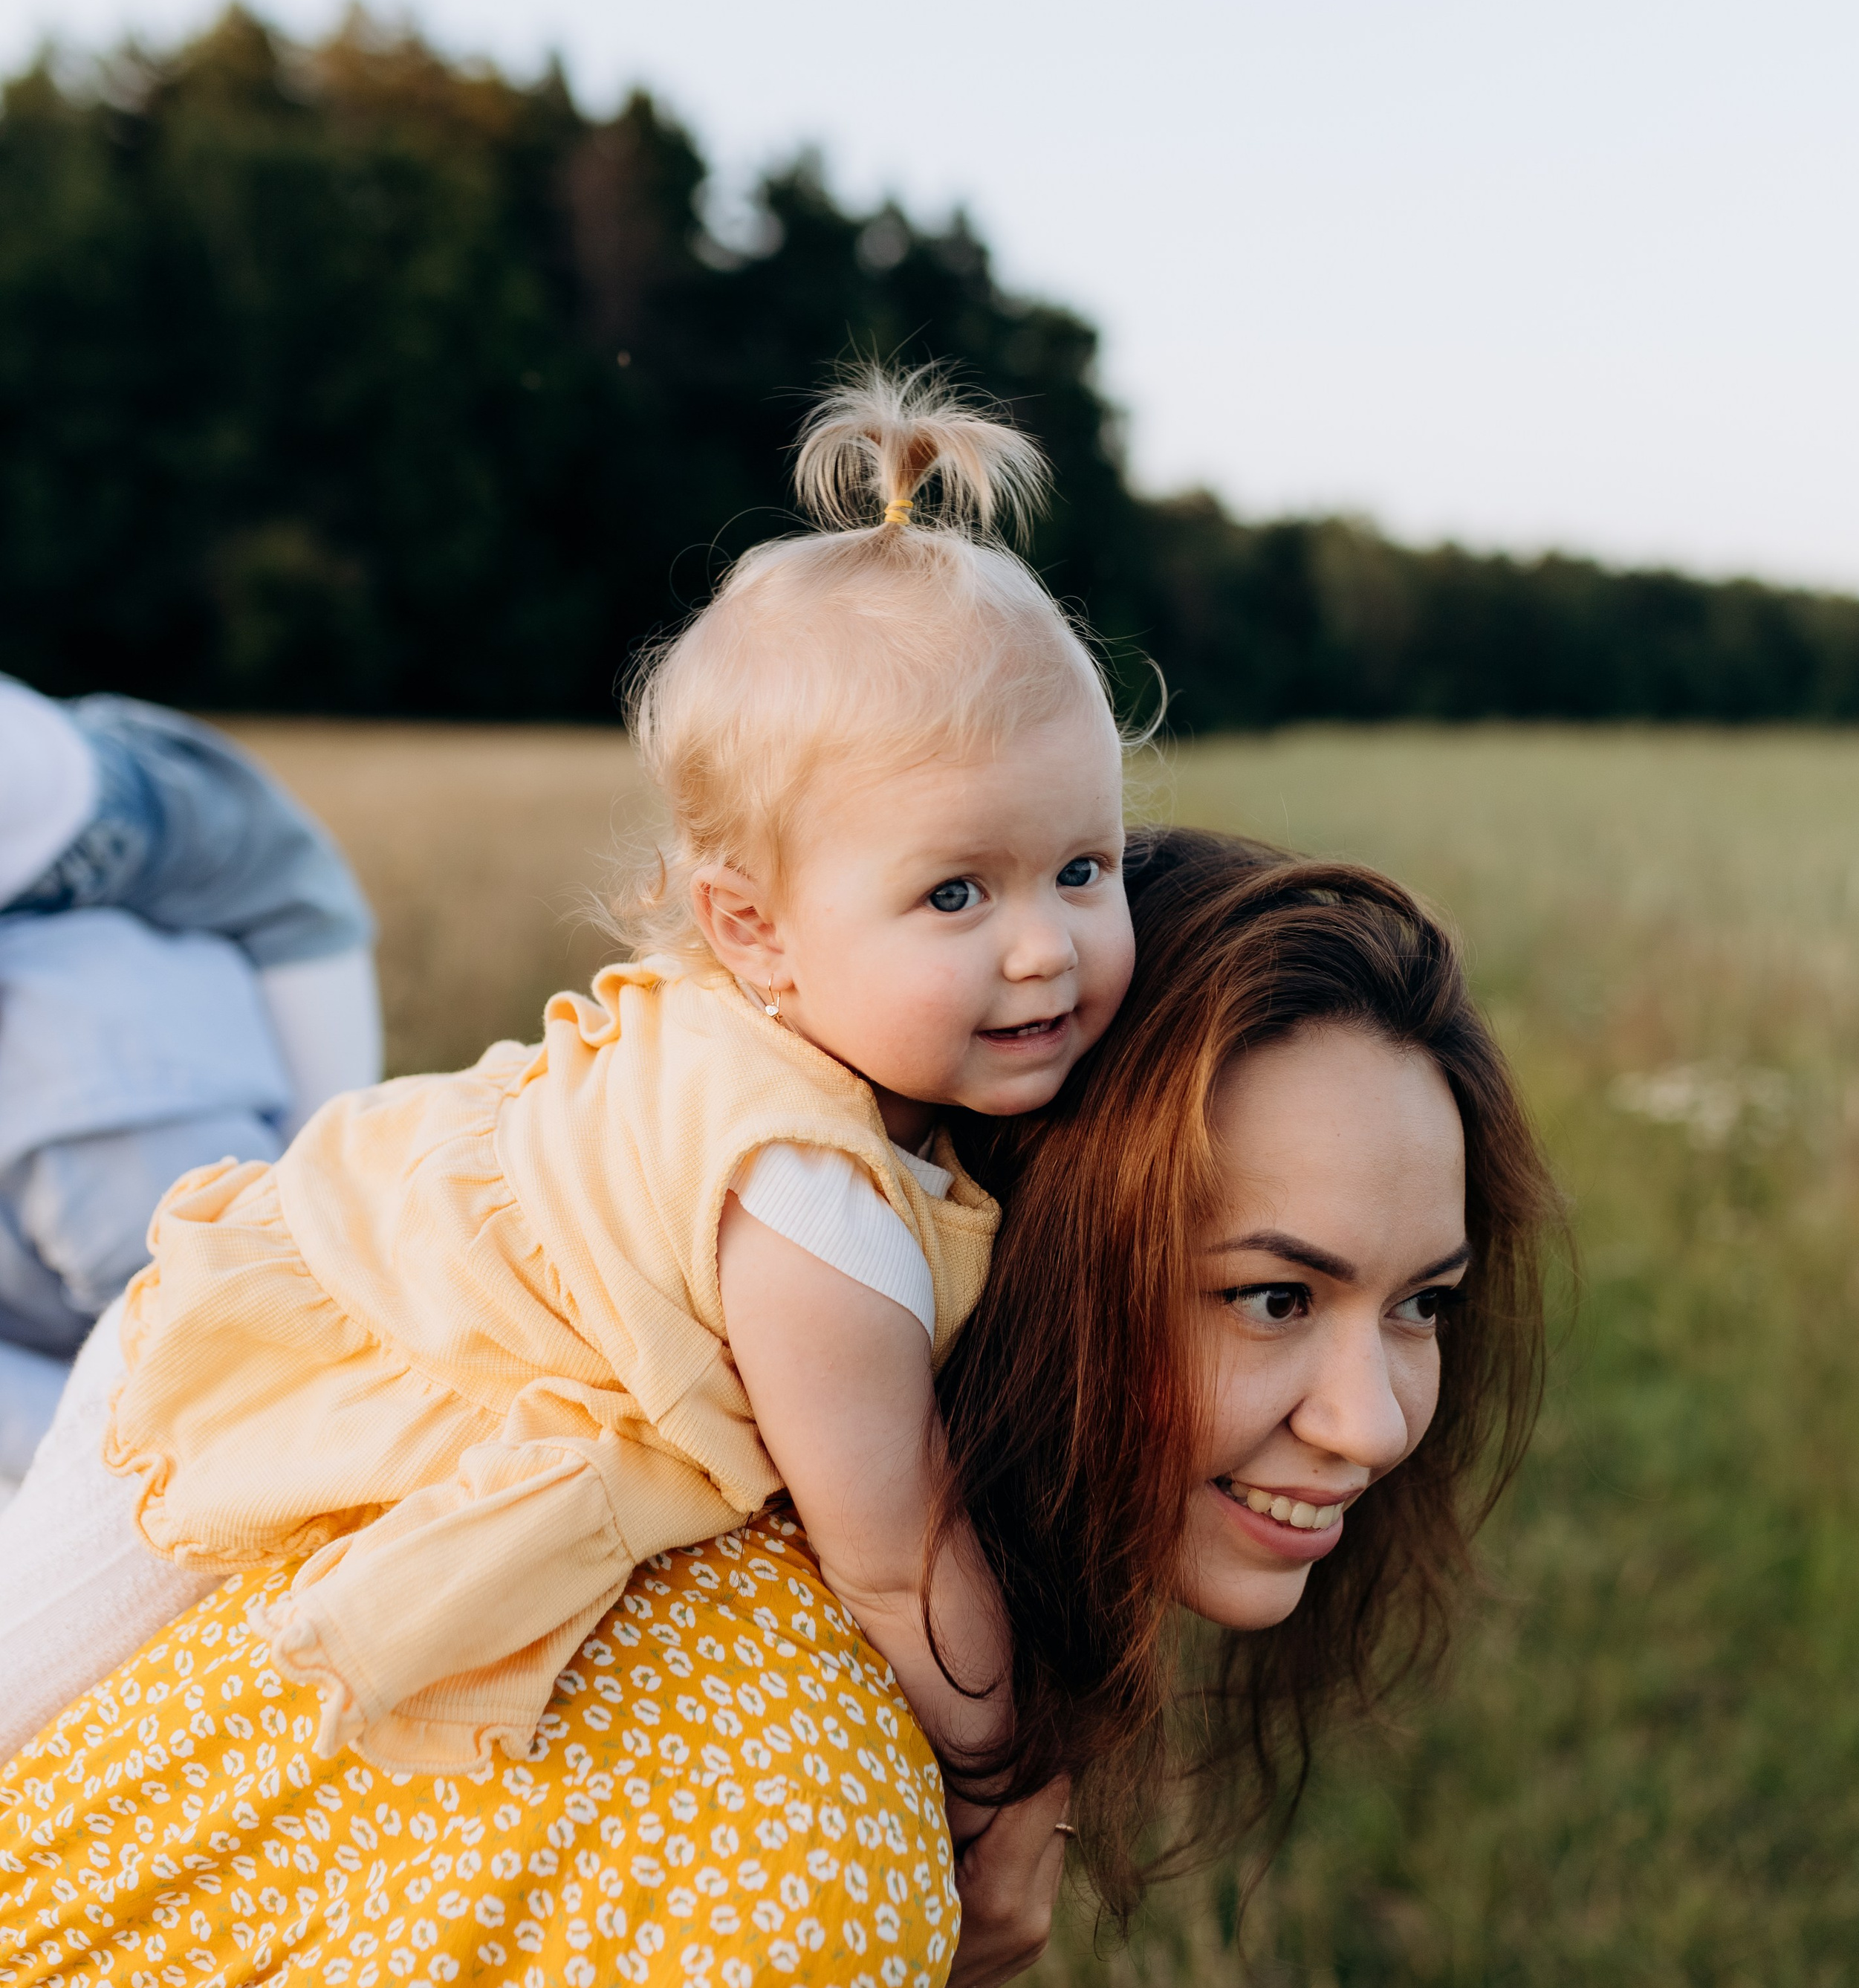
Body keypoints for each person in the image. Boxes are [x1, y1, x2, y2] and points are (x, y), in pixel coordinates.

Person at [0, 827, 1561, 1988]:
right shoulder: (789, 1797)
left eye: (1419, 1301)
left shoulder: (704, 1498)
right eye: (1271, 1297)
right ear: (1032, 1235)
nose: (1371, 1418)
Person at [0, 372, 1133, 1801]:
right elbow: (897, 1558)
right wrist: (1004, 1772)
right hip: (261, 1356)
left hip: (356, 1297)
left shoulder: (838, 1047)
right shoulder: (802, 1202)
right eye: (957, 891)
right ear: (753, 931)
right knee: (25, 1707)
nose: (1046, 945)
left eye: (1083, 867)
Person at [0, 678, 381, 1489]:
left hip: (147, 821)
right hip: (75, 785)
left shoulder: (99, 1111)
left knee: (324, 1212)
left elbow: (229, 1415)